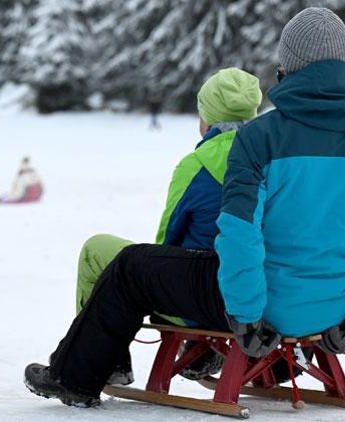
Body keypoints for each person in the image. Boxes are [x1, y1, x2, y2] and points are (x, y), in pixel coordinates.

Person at [24, 7, 345, 409]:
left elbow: (239, 235)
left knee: (132, 265)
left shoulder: (260, 138)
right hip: (334, 310)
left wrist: (247, 316)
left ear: (288, 64)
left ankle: (72, 378)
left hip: (259, 308)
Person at [75, 68, 263, 385]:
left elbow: (168, 241)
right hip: (259, 294)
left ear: (208, 117)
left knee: (97, 251)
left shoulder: (198, 165)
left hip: (201, 300)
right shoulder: (272, 160)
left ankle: (107, 361)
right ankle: (200, 348)